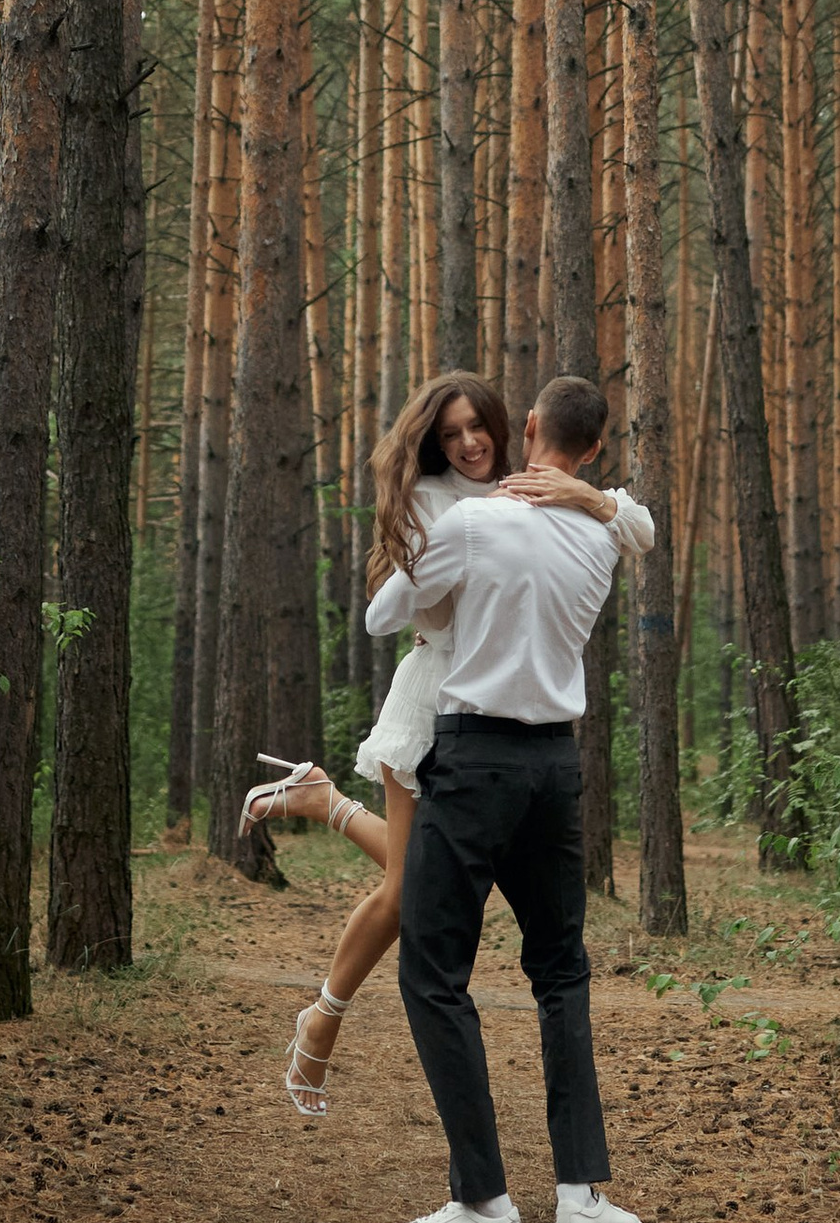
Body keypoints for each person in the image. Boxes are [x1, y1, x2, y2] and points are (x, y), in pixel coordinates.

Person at [237, 369, 652, 1124]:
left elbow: (637, 529)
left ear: (508, 427)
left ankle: (322, 800)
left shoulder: (539, 487)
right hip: (437, 701)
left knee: (422, 882)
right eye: (450, 433)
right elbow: (400, 607)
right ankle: (322, 1019)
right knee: (406, 894)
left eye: (476, 429)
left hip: (494, 722)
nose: (466, 443)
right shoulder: (435, 500)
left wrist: (593, 497)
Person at [366, 371, 647, 1223]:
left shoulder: (470, 524)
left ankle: (484, 1203)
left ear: (528, 429)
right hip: (556, 766)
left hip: (475, 757)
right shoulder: (603, 534)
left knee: (433, 969)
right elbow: (636, 524)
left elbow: (385, 616)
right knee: (561, 972)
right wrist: (596, 500)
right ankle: (581, 1197)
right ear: (594, 448)